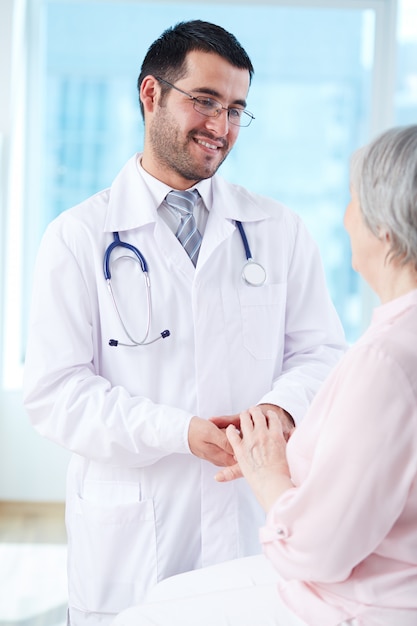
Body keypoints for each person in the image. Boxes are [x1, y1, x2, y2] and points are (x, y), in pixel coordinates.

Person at [23, 19, 346, 626]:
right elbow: (56, 393)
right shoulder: (77, 238)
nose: (221, 128)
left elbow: (321, 351)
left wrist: (277, 413)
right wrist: (179, 431)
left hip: (250, 516)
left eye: (235, 110)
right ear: (151, 94)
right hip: (135, 535)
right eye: (205, 102)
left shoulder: (277, 230)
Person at [110, 124, 417, 626]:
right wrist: (265, 434)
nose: (345, 217)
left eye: (354, 202)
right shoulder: (80, 233)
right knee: (161, 598)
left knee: (143, 614)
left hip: (359, 601)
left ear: (384, 229)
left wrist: (268, 468)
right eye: (205, 101)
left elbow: (316, 551)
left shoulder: (385, 360)